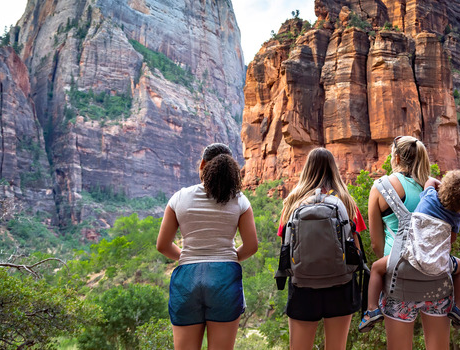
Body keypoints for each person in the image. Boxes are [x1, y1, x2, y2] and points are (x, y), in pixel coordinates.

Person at [156, 143, 258, 350]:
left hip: (187, 277)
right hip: (224, 277)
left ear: (202, 164)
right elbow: (251, 246)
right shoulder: (239, 200)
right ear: (232, 169)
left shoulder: (179, 197)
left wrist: (188, 257)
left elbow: (163, 245)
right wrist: (227, 257)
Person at [359, 170, 460, 334]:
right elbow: (451, 239)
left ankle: (371, 310)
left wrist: (440, 185)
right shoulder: (455, 217)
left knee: (376, 268)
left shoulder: (429, 197)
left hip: (411, 257)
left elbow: (429, 181)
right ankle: (458, 309)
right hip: (439, 264)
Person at [367, 135, 452, 350]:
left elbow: (376, 244)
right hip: (437, 278)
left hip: (399, 279)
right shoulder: (436, 189)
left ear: (395, 157)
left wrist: (392, 263)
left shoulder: (381, 187)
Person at [278, 147, 367, 350]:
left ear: (307, 169)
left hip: (302, 285)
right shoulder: (347, 202)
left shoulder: (292, 202)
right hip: (341, 285)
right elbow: (357, 248)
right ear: (333, 169)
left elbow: (285, 244)